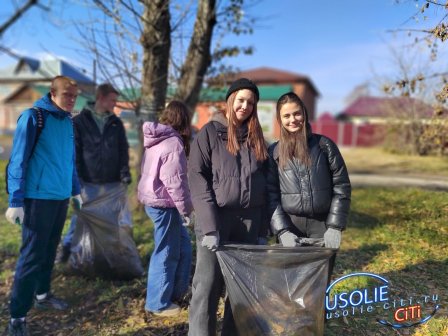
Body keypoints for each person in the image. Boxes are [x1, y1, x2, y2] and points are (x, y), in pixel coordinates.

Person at [188, 78, 269, 336]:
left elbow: (266, 185)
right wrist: (210, 228)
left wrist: (261, 231)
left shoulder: (257, 137)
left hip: (248, 222)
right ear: (229, 101)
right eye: (240, 100)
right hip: (216, 222)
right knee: (207, 287)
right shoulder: (209, 133)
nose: (244, 106)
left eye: (250, 102)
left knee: (241, 289)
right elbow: (196, 178)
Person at [5, 76, 82, 336]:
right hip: (37, 198)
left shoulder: (68, 121)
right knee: (31, 256)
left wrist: (75, 190)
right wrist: (15, 200)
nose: (71, 100)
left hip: (59, 197)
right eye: (67, 95)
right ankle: (17, 317)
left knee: (49, 249)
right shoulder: (33, 117)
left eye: (74, 96)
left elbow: (69, 159)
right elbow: (18, 160)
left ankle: (43, 294)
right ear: (52, 93)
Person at [266, 91, 351, 277]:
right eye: (286, 116)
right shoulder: (274, 152)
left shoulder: (324, 145)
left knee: (319, 280)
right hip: (291, 226)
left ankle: (319, 308)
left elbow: (341, 186)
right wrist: (282, 230)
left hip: (321, 226)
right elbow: (270, 195)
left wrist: (335, 226)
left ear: (304, 113)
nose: (293, 120)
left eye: (297, 113)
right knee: (292, 280)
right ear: (280, 120)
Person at [57, 83, 132, 263]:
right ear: (101, 98)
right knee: (80, 216)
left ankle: (107, 254)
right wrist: (78, 180)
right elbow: (74, 153)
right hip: (87, 181)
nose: (115, 104)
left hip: (112, 181)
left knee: (112, 218)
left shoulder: (115, 123)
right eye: (112, 100)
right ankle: (67, 248)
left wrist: (124, 172)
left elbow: (123, 149)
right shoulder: (79, 122)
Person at [137, 100, 193, 317]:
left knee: (183, 247)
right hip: (165, 205)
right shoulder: (173, 144)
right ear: (183, 119)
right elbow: (175, 182)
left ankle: (177, 292)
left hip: (156, 202)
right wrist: (186, 210)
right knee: (166, 252)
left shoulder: (157, 140)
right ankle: (157, 303)